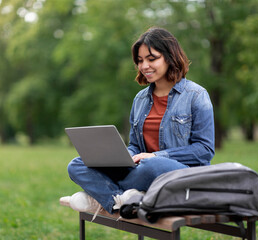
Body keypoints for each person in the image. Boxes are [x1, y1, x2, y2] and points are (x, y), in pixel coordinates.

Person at [61, 27, 215, 216]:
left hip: (179, 173)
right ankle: (122, 199)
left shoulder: (196, 95)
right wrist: (121, 156)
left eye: (152, 59)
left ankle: (103, 195)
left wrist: (158, 156)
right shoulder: (140, 99)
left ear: (170, 57)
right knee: (77, 165)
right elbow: (135, 145)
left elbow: (204, 151)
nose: (144, 66)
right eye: (140, 60)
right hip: (142, 170)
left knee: (152, 166)